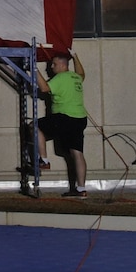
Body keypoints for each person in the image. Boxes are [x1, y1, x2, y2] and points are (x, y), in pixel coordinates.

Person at [38, 51, 90, 199]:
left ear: (62, 65)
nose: (51, 68)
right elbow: (82, 73)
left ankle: (43, 160)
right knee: (77, 153)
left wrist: (34, 70)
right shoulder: (75, 78)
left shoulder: (60, 78)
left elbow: (44, 88)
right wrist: (76, 56)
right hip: (79, 119)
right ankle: (81, 189)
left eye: (53, 64)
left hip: (64, 117)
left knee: (34, 126)